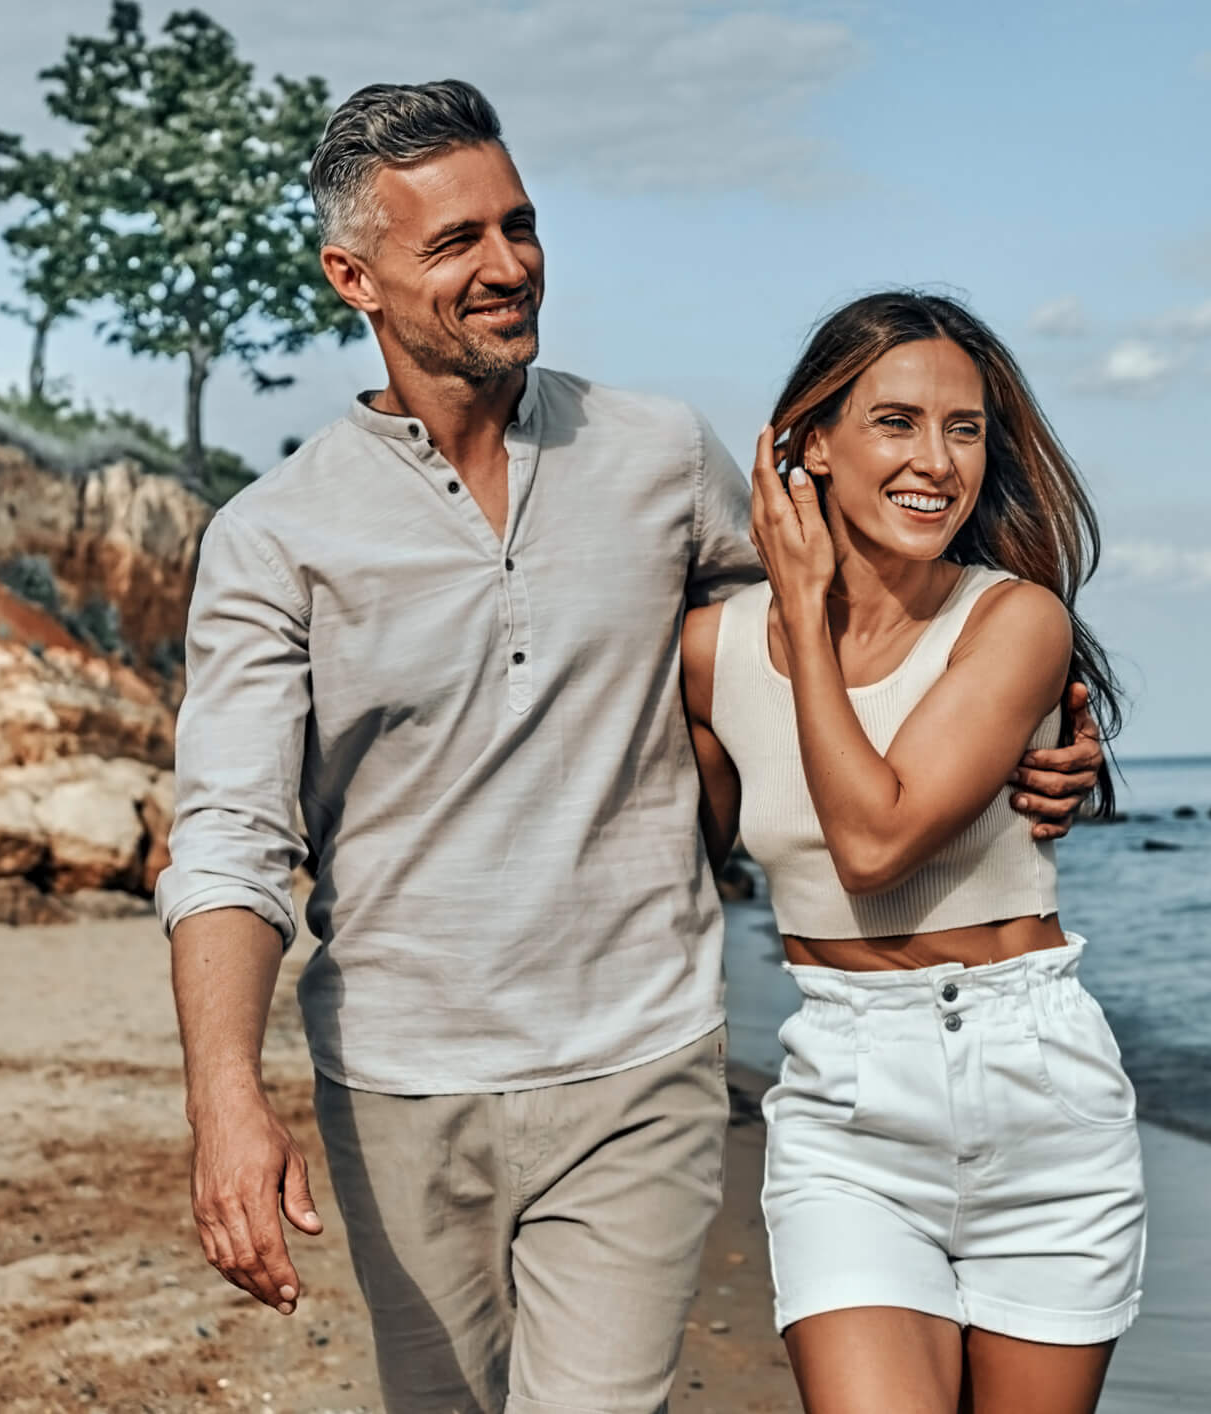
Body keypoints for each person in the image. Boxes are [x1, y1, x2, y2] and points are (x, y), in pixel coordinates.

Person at [155, 82, 1102, 1414]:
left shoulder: (656, 453)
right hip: (401, 1080)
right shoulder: (273, 534)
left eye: (520, 225)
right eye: (457, 243)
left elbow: (861, 609)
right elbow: (231, 844)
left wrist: (1047, 734)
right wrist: (226, 1103)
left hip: (640, 1063)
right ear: (351, 275)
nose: (507, 266)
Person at [681, 292, 1146, 1414]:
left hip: (1036, 1090)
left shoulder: (1016, 623)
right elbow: (671, 858)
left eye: (965, 428)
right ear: (809, 443)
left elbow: (876, 838)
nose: (936, 460)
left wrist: (798, 603)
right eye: (895, 421)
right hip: (846, 1101)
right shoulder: (709, 653)